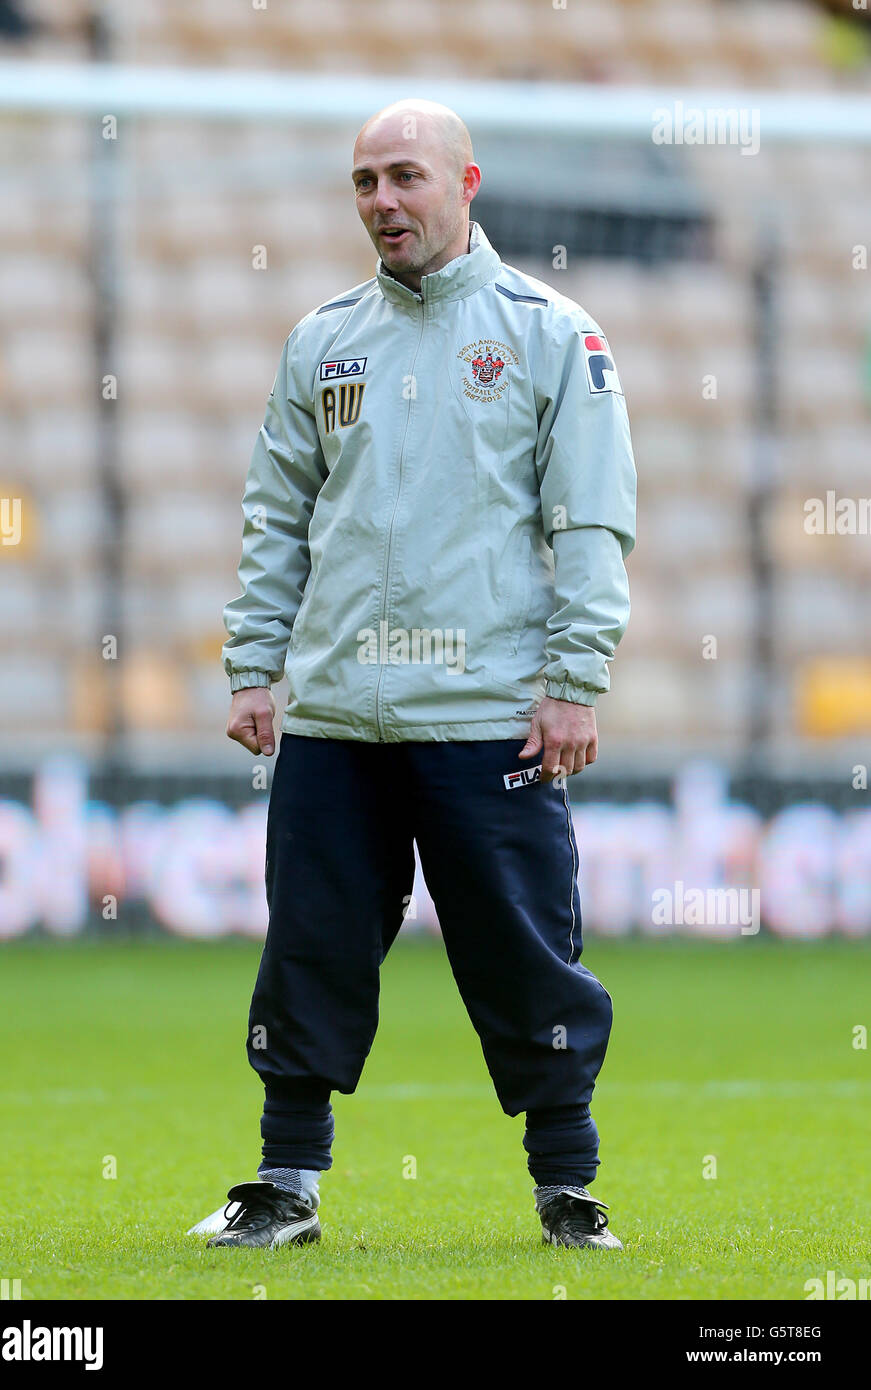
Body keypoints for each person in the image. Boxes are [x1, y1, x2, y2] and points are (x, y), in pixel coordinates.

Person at [206, 98, 636, 1252]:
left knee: (521, 950)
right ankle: (283, 1181)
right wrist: (256, 663)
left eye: (404, 177)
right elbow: (275, 517)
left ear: (465, 181)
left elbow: (589, 522)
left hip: (486, 713)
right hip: (339, 714)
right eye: (363, 182)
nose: (382, 202)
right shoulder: (322, 340)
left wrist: (573, 677)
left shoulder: (553, 335)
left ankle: (567, 1185)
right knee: (310, 944)